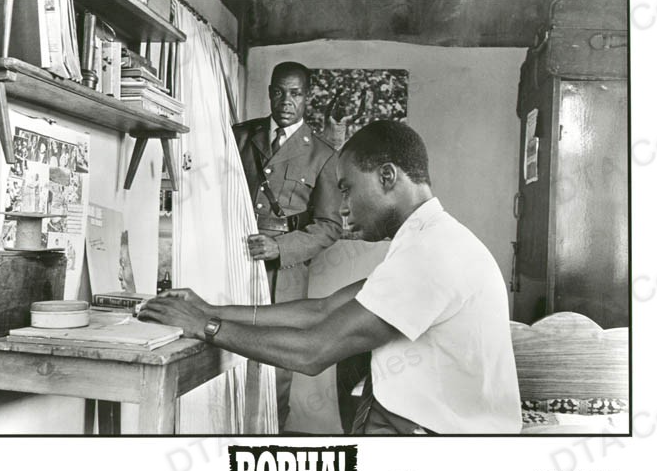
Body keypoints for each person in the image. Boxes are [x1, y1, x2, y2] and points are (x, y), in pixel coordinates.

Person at [140, 121, 522, 435]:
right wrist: (210, 309)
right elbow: (322, 310)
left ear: (387, 176)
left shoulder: (432, 251)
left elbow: (313, 351)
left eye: (347, 190)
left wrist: (205, 326)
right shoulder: (428, 238)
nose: (342, 208)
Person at [232, 61, 342, 431]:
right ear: (270, 93)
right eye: (279, 92)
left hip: (285, 273)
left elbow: (329, 226)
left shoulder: (323, 155)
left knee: (276, 364)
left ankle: (271, 436)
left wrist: (280, 248)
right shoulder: (241, 137)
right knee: (228, 350)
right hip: (236, 260)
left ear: (307, 97)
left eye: (295, 93)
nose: (285, 102)